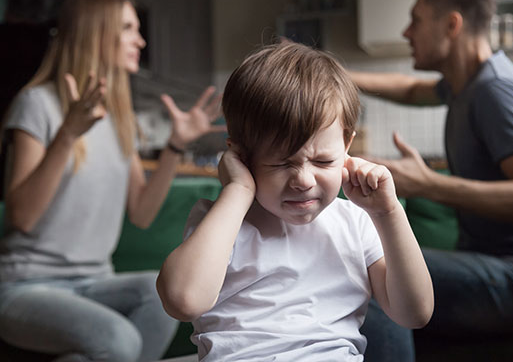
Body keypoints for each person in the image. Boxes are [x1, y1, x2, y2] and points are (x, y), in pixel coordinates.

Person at [156, 41, 434, 361]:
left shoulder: (356, 222)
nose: (303, 180)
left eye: (323, 162)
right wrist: (238, 191)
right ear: (241, 156)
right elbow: (182, 301)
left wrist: (388, 212)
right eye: (281, 163)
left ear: (346, 144)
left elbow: (415, 313)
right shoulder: (221, 222)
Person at [349, 0, 513, 355]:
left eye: (416, 21)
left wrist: (426, 184)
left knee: (376, 275)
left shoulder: (495, 91)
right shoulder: (464, 85)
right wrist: (335, 74)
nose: (406, 32)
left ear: (452, 25)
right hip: (501, 269)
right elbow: (411, 88)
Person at [0, 0, 225, 361]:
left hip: (96, 281)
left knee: (161, 296)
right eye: (127, 28)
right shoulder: (37, 104)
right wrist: (68, 134)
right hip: (25, 286)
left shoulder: (120, 117)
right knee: (119, 339)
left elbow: (141, 212)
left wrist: (174, 146)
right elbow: (22, 216)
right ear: (96, 33)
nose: (140, 39)